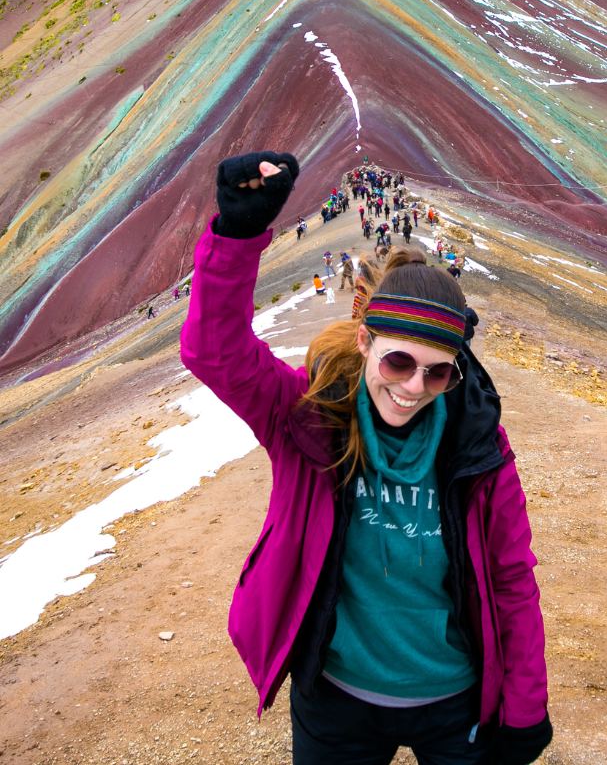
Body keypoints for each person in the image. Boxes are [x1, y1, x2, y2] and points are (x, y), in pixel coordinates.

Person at [180, 151, 551, 765]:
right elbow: (215, 353)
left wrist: (525, 708)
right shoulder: (308, 416)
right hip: (337, 701)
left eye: (437, 374)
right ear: (365, 340)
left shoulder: (478, 446)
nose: (412, 388)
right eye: (398, 362)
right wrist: (238, 237)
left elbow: (512, 578)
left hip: (455, 701)